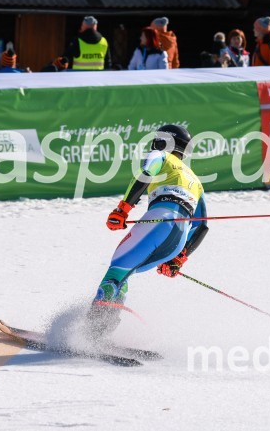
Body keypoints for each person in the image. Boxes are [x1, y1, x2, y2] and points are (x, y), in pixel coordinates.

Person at [88, 124, 209, 336]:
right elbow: (201, 225)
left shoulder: (160, 156)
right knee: (126, 272)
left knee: (117, 269)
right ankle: (102, 330)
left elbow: (145, 174)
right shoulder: (195, 180)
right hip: (178, 237)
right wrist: (178, 258)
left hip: (159, 221)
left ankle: (90, 333)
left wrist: (123, 209)